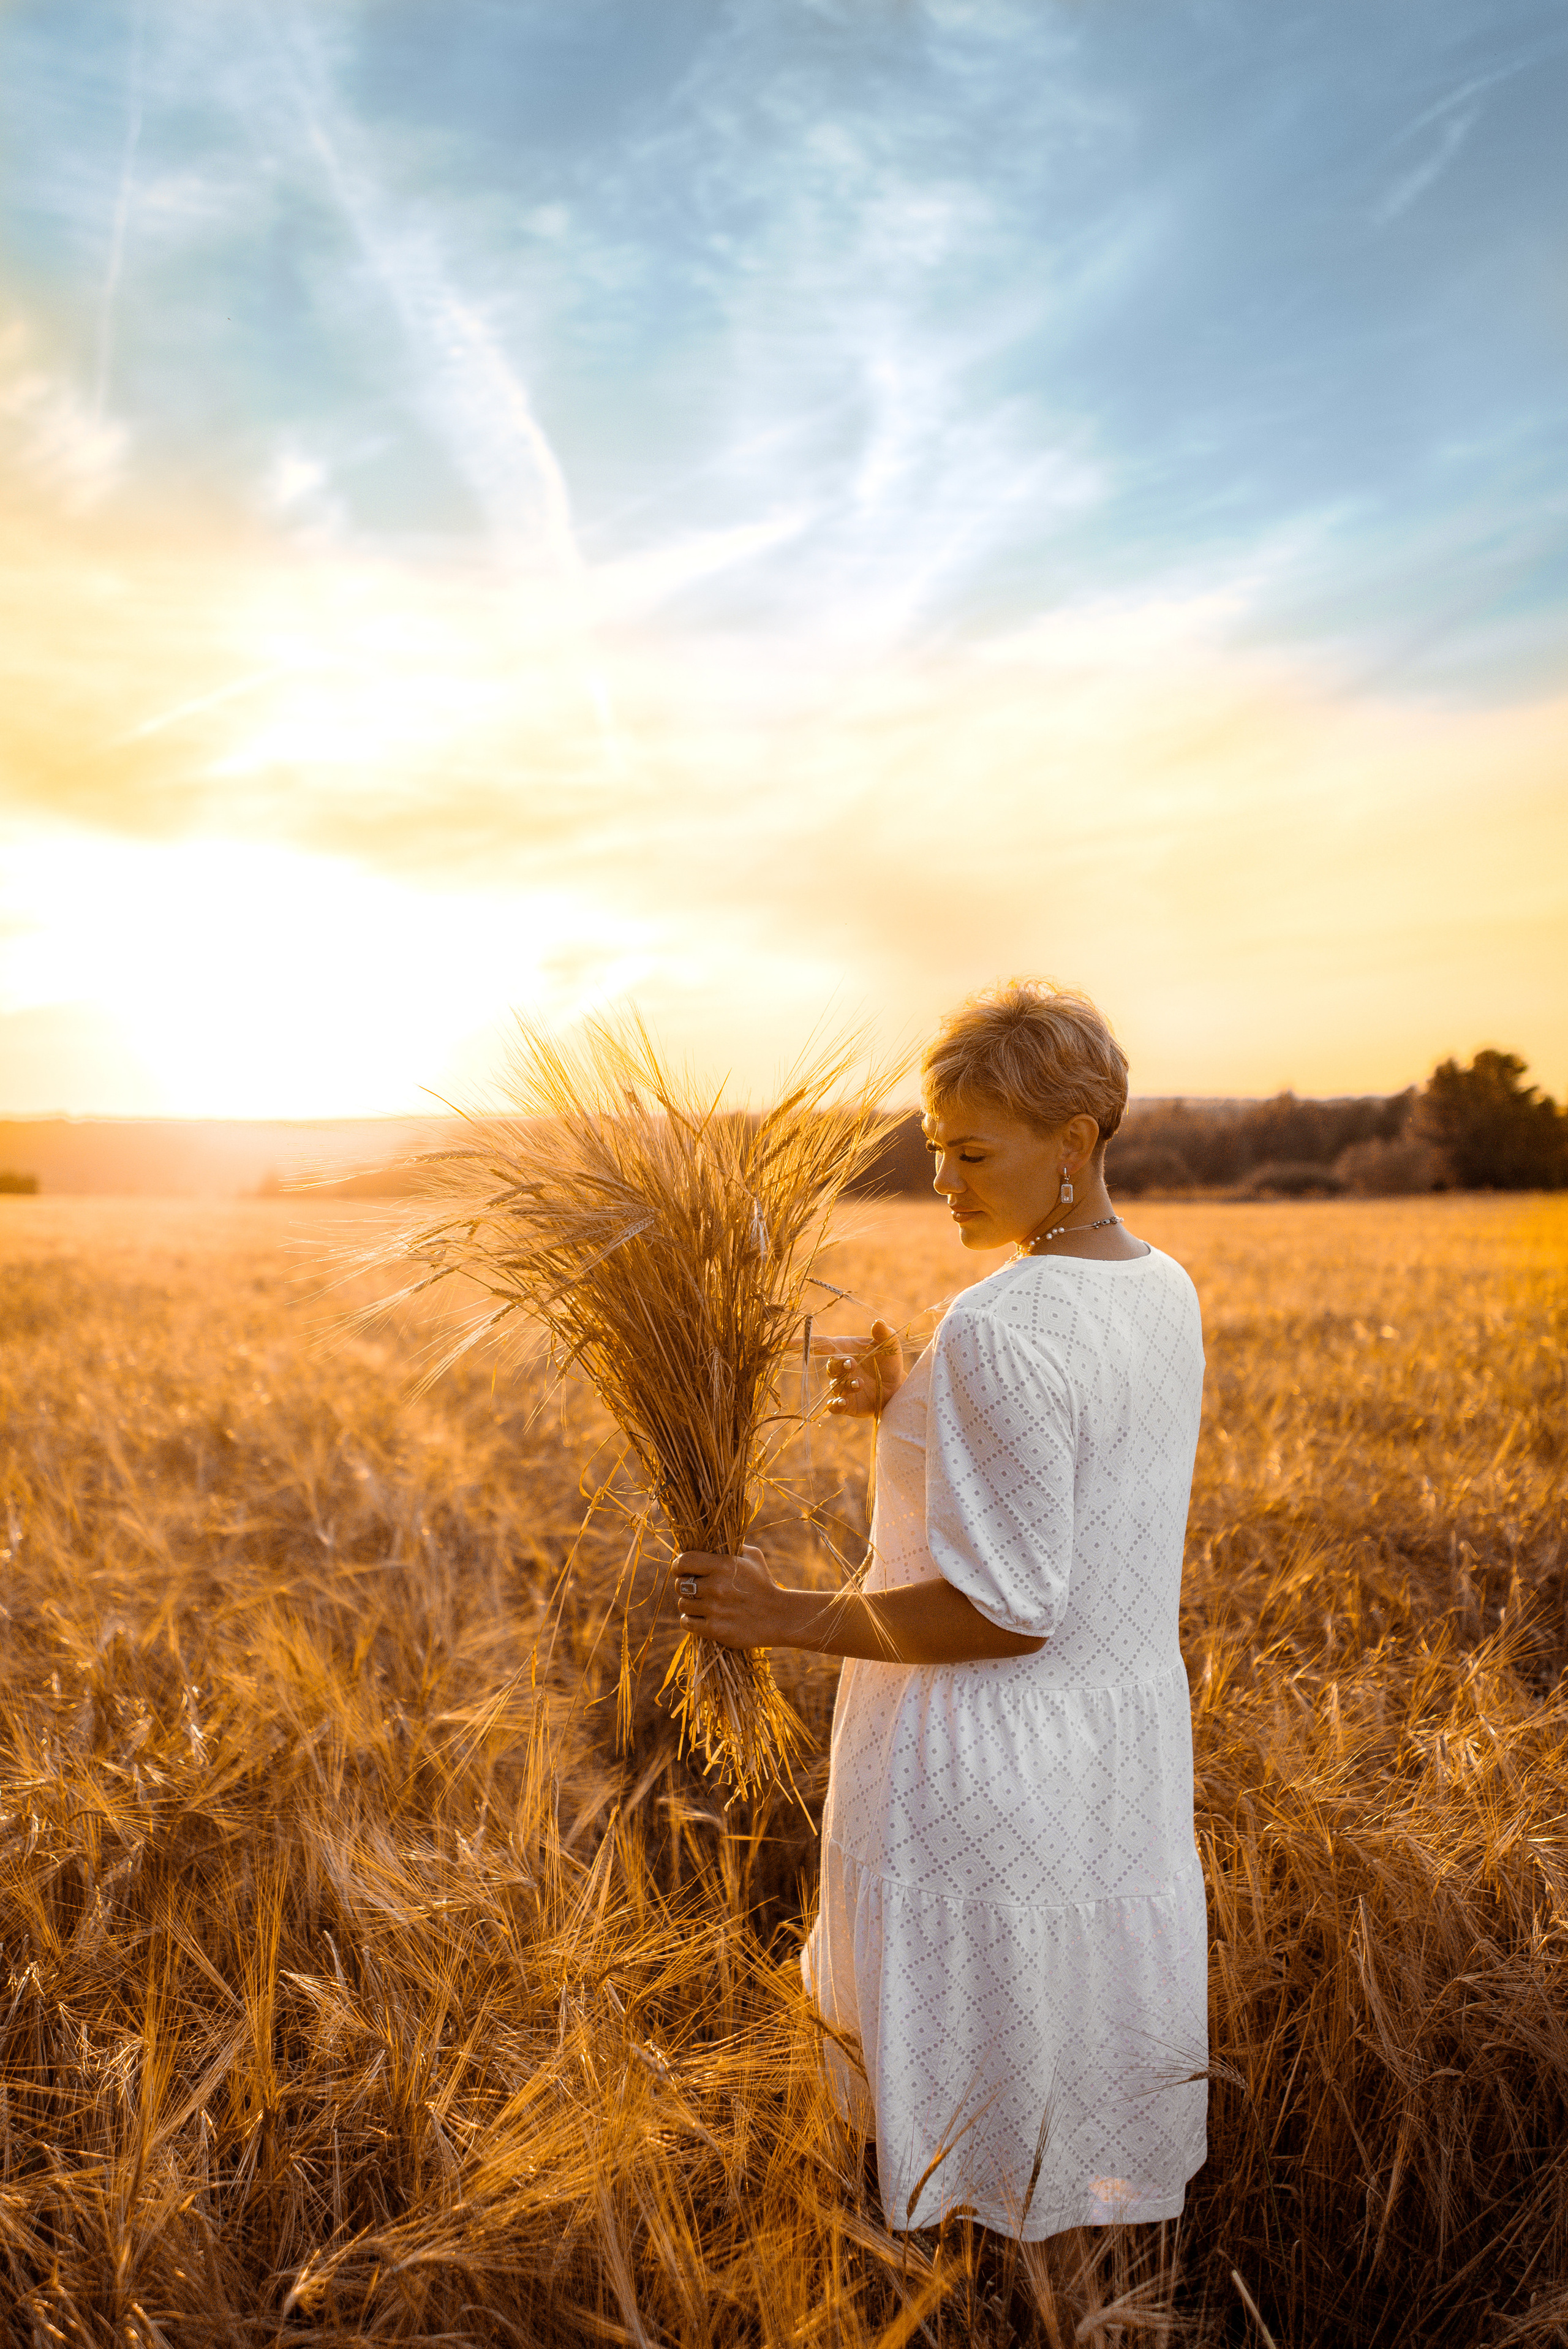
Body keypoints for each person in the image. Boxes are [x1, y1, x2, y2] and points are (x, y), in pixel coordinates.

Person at [672, 978, 1208, 2245]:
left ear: (1071, 1145)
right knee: (1069, 2044)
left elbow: (1008, 1611)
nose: (939, 1179)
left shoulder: (999, 1323)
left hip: (986, 1758)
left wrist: (787, 1616)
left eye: (971, 1152)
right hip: (1114, 1752)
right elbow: (1079, 1470)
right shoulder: (1160, 1284)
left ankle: (960, 2290)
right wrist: (916, 1406)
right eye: (929, 1148)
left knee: (973, 2097)